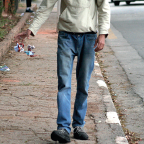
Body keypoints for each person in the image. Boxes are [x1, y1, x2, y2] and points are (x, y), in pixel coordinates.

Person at [14, 0, 110, 143]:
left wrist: (102, 34)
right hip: (66, 37)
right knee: (64, 83)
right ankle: (63, 128)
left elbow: (104, 7)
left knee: (83, 84)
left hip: (88, 37)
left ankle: (78, 125)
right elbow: (46, 6)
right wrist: (32, 28)